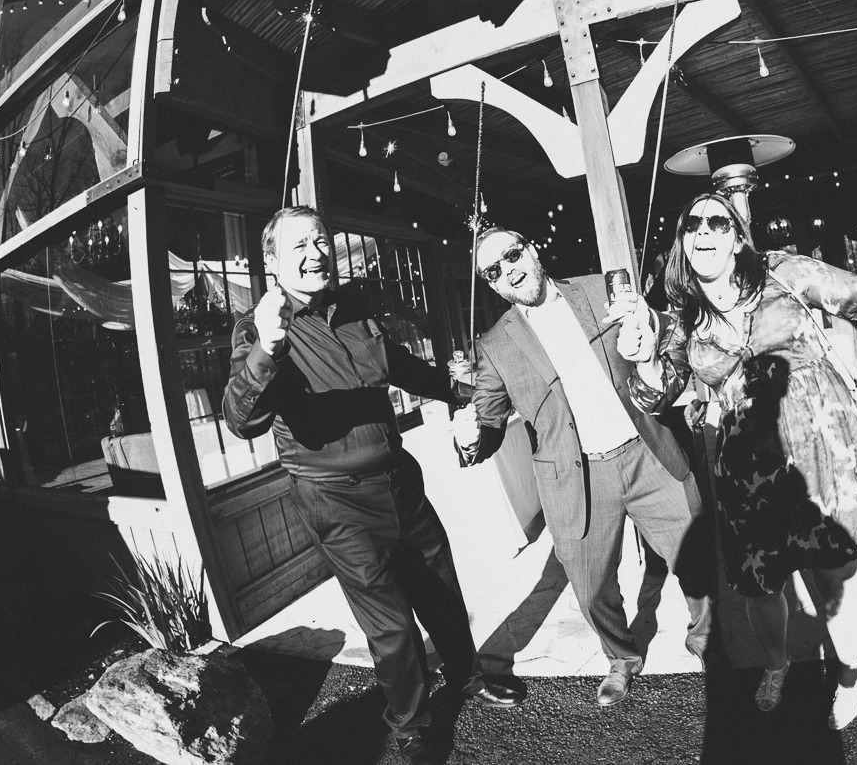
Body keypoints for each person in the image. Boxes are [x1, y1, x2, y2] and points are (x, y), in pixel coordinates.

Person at [223, 206, 522, 765]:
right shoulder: (259, 328)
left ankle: (464, 674)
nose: (316, 254)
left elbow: (398, 365)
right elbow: (242, 419)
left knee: (439, 585)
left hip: (399, 481)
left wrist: (454, 389)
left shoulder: (355, 304)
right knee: (389, 623)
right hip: (336, 500)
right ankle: (411, 725)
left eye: (321, 241)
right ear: (270, 261)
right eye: (299, 247)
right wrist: (267, 347)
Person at [614, 192, 857, 729]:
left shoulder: (783, 273)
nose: (704, 230)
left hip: (823, 449)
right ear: (683, 241)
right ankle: (777, 663)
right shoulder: (682, 318)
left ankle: (849, 675)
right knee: (760, 585)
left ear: (738, 236)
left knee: (835, 577)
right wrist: (643, 356)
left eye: (718, 220)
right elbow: (657, 394)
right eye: (692, 223)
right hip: (747, 467)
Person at [449, 226, 714, 707]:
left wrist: (651, 339)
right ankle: (621, 657)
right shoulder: (495, 345)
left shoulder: (603, 290)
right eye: (494, 270)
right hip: (576, 477)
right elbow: (487, 426)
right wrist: (470, 440)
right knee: (592, 590)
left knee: (697, 559)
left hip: (645, 452)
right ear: (491, 284)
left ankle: (706, 640)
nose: (509, 269)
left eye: (513, 254)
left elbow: (671, 342)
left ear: (531, 249)